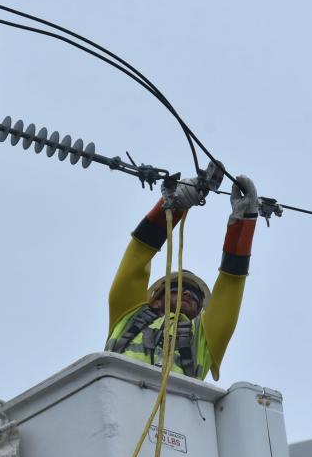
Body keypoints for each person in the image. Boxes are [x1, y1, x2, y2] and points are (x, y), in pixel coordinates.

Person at [105, 163, 259, 381]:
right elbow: (136, 259)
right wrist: (172, 206)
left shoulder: (203, 340)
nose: (188, 294)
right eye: (178, 289)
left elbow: (231, 286)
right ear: (156, 299)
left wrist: (244, 224)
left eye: (196, 296)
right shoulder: (127, 315)